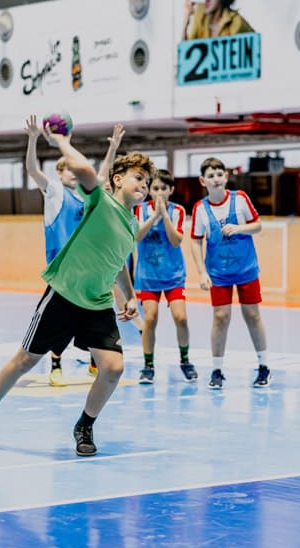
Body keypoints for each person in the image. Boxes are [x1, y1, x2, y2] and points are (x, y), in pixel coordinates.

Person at [0, 114, 155, 456]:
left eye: (148, 181)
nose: (144, 184)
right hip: (65, 294)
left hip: (98, 303)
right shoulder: (100, 202)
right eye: (138, 178)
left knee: (113, 368)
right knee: (26, 360)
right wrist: (61, 141)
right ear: (117, 179)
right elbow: (84, 171)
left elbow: (117, 263)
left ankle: (84, 425)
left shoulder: (131, 224)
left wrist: (129, 296)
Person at [26, 119, 125, 384]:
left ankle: (95, 361)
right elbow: (32, 169)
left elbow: (101, 176)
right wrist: (33, 139)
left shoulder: (87, 196)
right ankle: (55, 364)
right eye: (67, 169)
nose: (73, 173)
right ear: (59, 173)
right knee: (60, 322)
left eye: (74, 169)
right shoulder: (54, 192)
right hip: (64, 271)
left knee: (94, 313)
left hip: (89, 268)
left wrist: (113, 148)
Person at [190, 157, 270, 390]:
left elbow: (258, 225)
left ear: (225, 177)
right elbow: (195, 241)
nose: (216, 179)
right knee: (221, 317)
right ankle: (217, 370)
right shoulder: (200, 208)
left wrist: (239, 228)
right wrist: (201, 272)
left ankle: (264, 366)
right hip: (218, 273)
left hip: (246, 269)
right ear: (202, 181)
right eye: (210, 175)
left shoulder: (240, 199)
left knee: (252, 315)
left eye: (219, 174)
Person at [134, 169, 197, 384]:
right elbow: (137, 236)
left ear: (171, 190)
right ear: (149, 190)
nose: (159, 192)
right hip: (148, 276)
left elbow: (176, 241)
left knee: (181, 317)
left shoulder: (177, 210)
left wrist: (165, 215)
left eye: (163, 188)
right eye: (155, 188)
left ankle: (185, 361)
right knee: (150, 318)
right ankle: (148, 365)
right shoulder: (140, 210)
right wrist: (154, 216)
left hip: (173, 275)